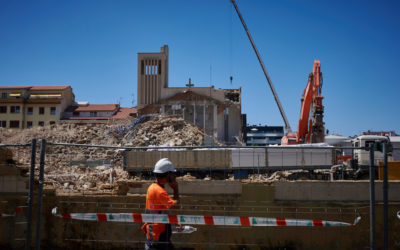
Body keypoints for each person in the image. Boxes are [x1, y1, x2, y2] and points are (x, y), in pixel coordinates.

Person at [142, 158, 180, 250]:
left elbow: (161, 209)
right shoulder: (159, 191)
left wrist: (175, 222)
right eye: (172, 174)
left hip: (156, 233)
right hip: (157, 237)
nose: (173, 177)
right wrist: (175, 189)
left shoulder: (153, 187)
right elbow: (176, 206)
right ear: (167, 175)